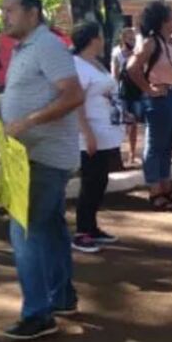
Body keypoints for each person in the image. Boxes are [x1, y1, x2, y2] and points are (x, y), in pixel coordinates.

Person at [0, 0, 85, 342]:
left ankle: (37, 313)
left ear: (32, 12)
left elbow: (74, 95)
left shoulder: (46, 45)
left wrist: (29, 121)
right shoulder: (24, 49)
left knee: (23, 228)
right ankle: (61, 298)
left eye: (10, 10)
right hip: (31, 155)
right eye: (2, 10)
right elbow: (22, 99)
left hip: (44, 157)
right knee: (48, 228)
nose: (4, 16)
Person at [128, 1, 172, 211]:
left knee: (169, 143)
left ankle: (166, 185)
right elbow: (132, 67)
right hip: (160, 97)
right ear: (163, 22)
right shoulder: (151, 43)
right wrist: (149, 89)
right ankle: (155, 190)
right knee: (155, 145)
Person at [70, 21, 124, 253]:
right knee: (91, 182)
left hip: (105, 131)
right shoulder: (78, 66)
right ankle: (81, 231)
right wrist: (87, 134)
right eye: (101, 36)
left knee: (100, 180)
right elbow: (76, 103)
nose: (103, 40)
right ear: (93, 39)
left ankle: (92, 227)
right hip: (90, 132)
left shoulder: (95, 64)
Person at [111, 27, 140, 166]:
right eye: (129, 38)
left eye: (134, 38)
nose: (132, 41)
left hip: (134, 91)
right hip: (122, 92)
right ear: (123, 39)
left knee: (133, 124)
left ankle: (132, 154)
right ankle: (117, 153)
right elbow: (114, 75)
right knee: (121, 124)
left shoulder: (137, 53)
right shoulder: (117, 54)